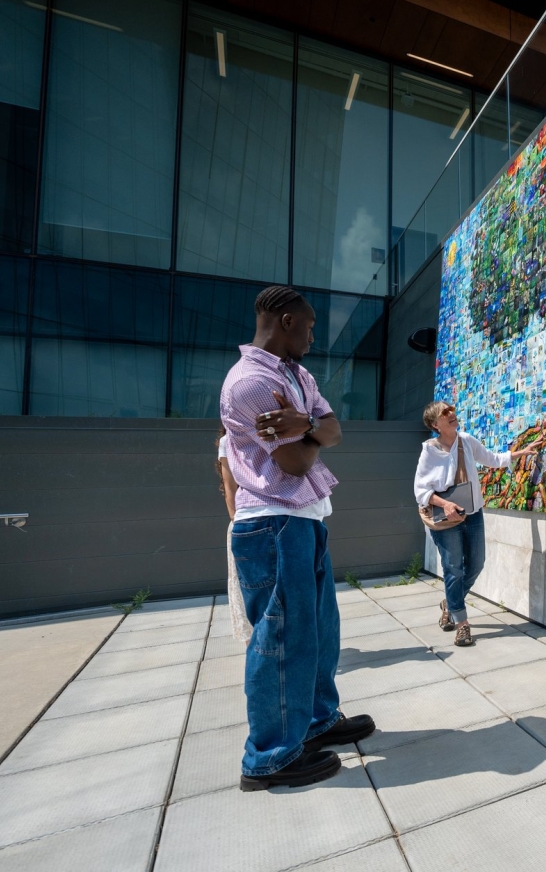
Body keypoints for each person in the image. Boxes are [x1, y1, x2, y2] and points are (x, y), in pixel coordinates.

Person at [220, 285, 375, 792]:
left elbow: (333, 431)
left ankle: (315, 722)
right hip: (272, 521)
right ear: (286, 320)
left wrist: (306, 421)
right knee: (281, 638)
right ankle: (268, 757)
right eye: (308, 326)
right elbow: (294, 461)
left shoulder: (297, 375)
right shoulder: (250, 384)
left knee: (318, 631)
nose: (313, 335)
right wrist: (313, 431)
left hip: (304, 517)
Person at [413, 401, 537, 647]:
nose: (451, 414)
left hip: (473, 514)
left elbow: (492, 459)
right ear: (435, 424)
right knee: (453, 569)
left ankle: (450, 602)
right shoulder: (429, 451)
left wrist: (519, 453)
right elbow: (420, 491)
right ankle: (462, 624)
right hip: (446, 517)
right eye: (444, 413)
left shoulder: (467, 441)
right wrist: (445, 504)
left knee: (476, 564)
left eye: (451, 410)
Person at [215, 426, 251, 642]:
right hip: (244, 521)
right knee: (244, 583)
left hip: (249, 520)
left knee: (247, 583)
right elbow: (231, 491)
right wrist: (239, 525)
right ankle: (254, 645)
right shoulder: (229, 441)